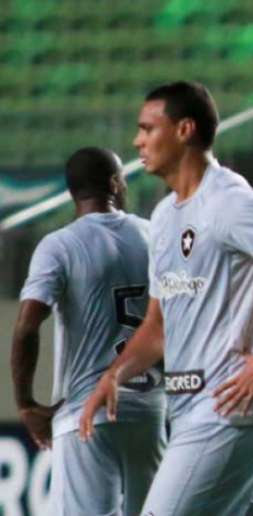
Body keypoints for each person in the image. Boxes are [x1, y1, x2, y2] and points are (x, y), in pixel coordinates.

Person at [79, 81, 253, 516]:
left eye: (147, 128)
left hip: (226, 415)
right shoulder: (163, 217)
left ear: (184, 130)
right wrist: (114, 375)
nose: (137, 140)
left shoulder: (228, 202)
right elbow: (157, 327)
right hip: (192, 413)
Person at [10, 147, 166, 515]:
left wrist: (26, 403)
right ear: (115, 183)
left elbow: (28, 325)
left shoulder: (60, 246)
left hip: (86, 413)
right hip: (149, 410)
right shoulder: (152, 236)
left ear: (72, 193)